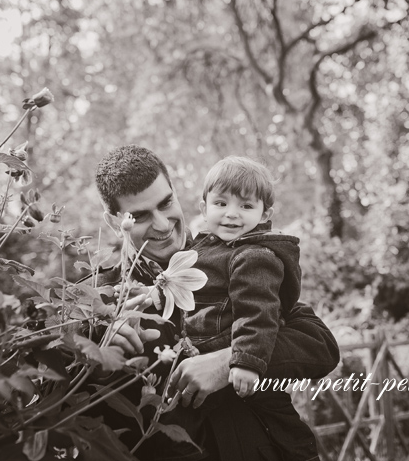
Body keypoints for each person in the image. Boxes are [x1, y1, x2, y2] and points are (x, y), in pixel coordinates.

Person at [93, 145, 339, 460]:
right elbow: (71, 406)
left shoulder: (232, 257)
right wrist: (98, 365)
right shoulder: (97, 300)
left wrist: (229, 362)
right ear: (115, 221)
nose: (163, 224)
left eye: (166, 203)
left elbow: (319, 343)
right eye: (139, 216)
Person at [181, 155, 319, 461]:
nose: (232, 214)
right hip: (210, 377)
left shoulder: (254, 256)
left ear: (264, 213)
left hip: (245, 370)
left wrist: (245, 361)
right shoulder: (205, 247)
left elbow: (258, 312)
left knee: (273, 419)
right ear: (204, 208)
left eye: (246, 206)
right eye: (221, 204)